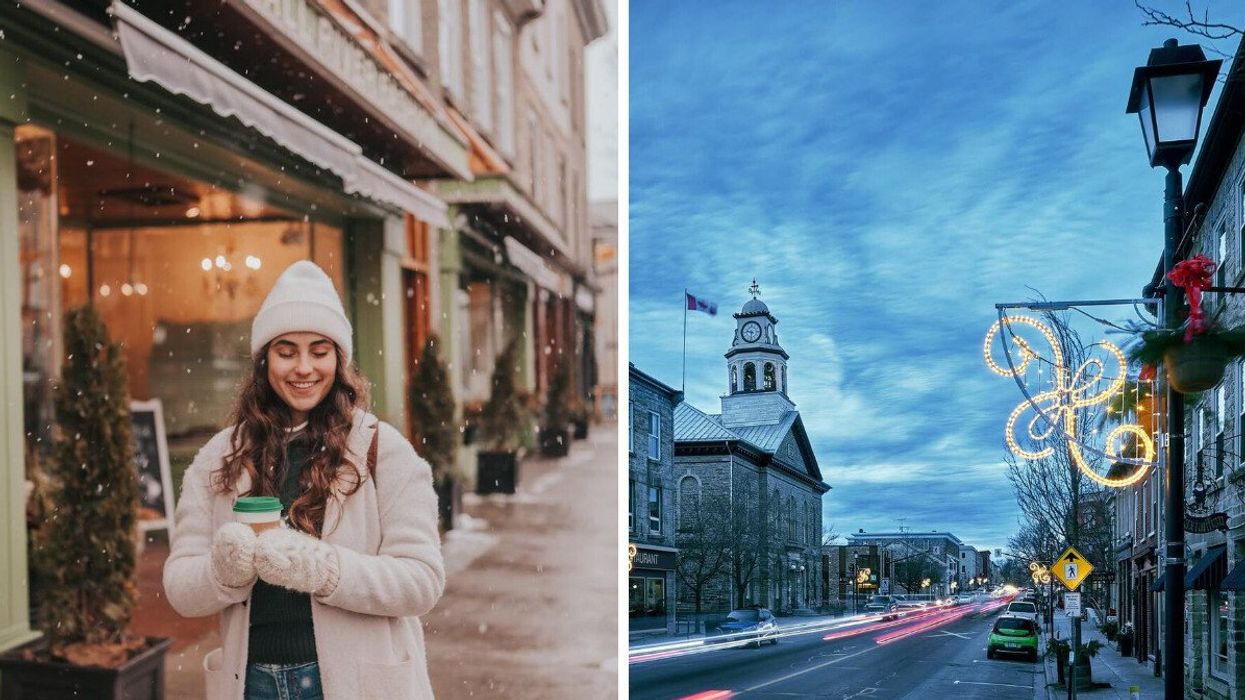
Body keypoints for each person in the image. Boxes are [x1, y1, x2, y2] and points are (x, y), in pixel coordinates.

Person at [163, 260, 445, 699]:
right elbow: (181, 588)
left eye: (319, 350)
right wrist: (225, 572)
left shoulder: (381, 450)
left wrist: (324, 569)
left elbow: (421, 581)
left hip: (353, 683)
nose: (303, 368)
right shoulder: (220, 457)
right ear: (264, 360)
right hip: (251, 681)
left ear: (339, 358)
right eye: (286, 350)